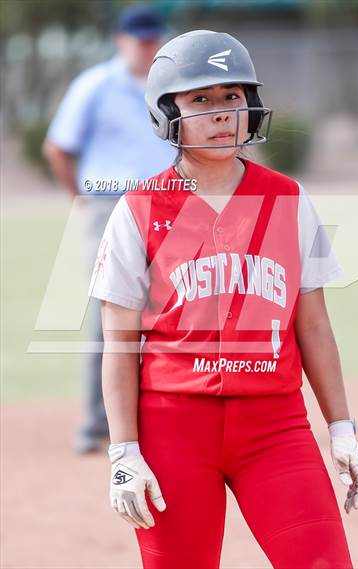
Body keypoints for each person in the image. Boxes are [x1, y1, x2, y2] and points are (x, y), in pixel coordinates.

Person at [88, 30, 358, 569]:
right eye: (201, 100)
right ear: (166, 112)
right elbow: (119, 343)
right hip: (173, 428)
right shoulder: (139, 209)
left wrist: (341, 427)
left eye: (232, 97)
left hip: (276, 426)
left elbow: (313, 326)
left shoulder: (287, 198)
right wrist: (124, 451)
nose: (221, 113)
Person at [43, 5, 177, 453]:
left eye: (154, 39)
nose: (148, 47)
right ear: (121, 40)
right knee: (113, 315)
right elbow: (59, 147)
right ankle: (97, 423)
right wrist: (81, 199)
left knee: (175, 311)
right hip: (110, 204)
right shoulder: (95, 86)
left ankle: (167, 415)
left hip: (171, 206)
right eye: (140, 40)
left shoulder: (172, 86)